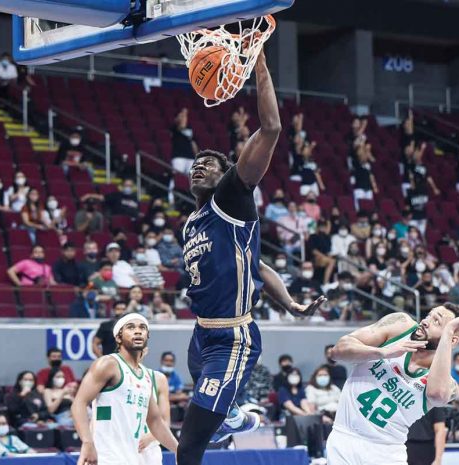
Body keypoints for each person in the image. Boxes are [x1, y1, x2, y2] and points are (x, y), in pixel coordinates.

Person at [177, 50, 324, 465]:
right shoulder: (192, 222)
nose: (197, 168)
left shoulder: (232, 197)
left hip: (232, 338)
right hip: (201, 334)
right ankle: (235, 415)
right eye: (194, 165)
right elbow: (256, 265)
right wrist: (291, 303)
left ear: (227, 173)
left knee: (189, 445)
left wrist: (257, 61)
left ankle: (229, 414)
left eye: (208, 164)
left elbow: (272, 127)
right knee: (211, 410)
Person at [326, 304, 459, 465]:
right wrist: (382, 352)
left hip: (386, 452)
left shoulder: (448, 385)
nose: (425, 321)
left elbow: (437, 396)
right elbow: (337, 351)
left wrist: (449, 330)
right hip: (344, 438)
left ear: (452, 339)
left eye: (436, 322)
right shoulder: (400, 326)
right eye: (429, 315)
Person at [72, 313, 178, 465]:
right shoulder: (108, 363)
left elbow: (155, 421)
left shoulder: (146, 376)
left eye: (142, 327)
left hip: (134, 458)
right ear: (118, 337)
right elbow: (79, 403)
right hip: (107, 457)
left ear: (148, 336)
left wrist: (179, 450)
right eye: (130, 327)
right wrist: (87, 443)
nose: (138, 331)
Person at [171, 108, 199, 175]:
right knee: (177, 177)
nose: (183, 118)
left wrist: (197, 157)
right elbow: (181, 126)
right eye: (181, 116)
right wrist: (184, 113)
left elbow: (193, 143)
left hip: (190, 157)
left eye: (184, 116)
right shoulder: (175, 127)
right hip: (179, 157)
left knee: (191, 179)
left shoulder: (190, 129)